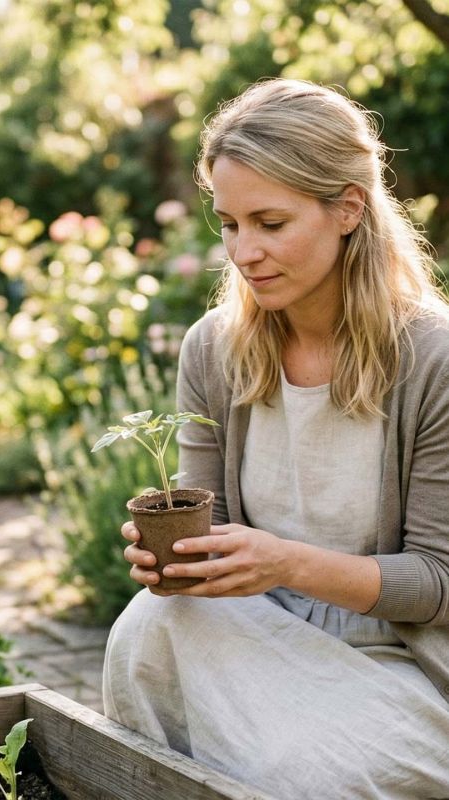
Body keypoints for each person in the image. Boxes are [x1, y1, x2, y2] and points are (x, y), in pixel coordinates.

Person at [102, 78, 449, 799]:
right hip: (259, 635)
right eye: (228, 224)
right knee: (147, 628)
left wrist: (284, 563)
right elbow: (218, 536)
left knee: (299, 774)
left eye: (270, 222)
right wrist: (177, 557)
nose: (244, 252)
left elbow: (440, 584)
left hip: (403, 662)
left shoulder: (432, 359)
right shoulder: (214, 350)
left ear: (348, 208)